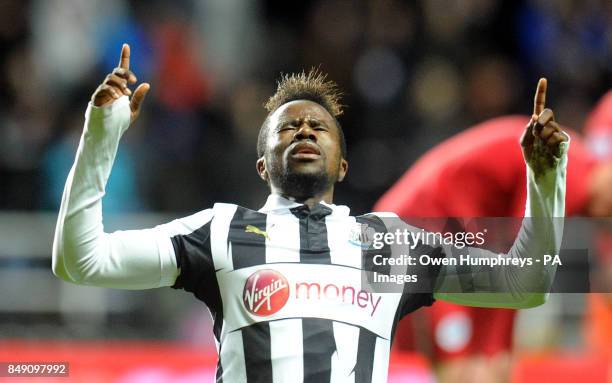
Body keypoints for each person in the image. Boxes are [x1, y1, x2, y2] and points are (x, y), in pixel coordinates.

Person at [53, 44, 569, 382]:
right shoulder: (219, 230)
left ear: (343, 165)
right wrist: (102, 133)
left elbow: (525, 282)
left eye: (318, 128)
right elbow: (81, 261)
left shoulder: (390, 245)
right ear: (262, 164)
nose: (303, 131)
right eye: (287, 128)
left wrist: (544, 179)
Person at [374, 107, 612, 381]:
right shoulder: (564, 171)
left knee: (447, 362)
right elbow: (516, 268)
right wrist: (496, 349)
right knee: (462, 366)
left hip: (430, 228)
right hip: (421, 225)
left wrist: (497, 349)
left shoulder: (573, 162)